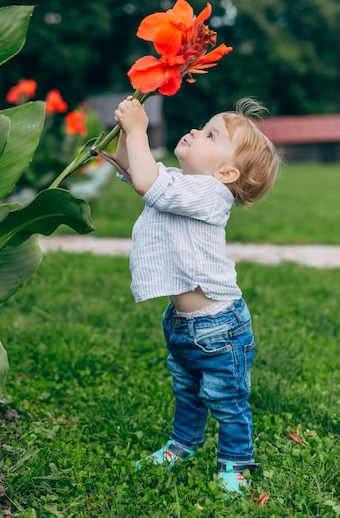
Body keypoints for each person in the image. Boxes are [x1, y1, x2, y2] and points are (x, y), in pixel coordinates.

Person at [113, 96, 281, 494]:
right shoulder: (177, 180)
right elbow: (129, 168)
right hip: (184, 326)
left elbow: (145, 182)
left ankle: (235, 464)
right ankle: (182, 444)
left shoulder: (210, 195)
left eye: (210, 135)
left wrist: (140, 130)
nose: (194, 131)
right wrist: (125, 130)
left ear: (225, 172)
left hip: (220, 329)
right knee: (187, 392)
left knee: (227, 400)